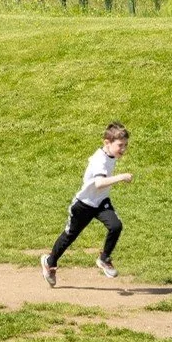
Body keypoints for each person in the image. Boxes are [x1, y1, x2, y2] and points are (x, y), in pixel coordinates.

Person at [41, 121, 132, 287]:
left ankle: (104, 259)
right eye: (120, 145)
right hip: (84, 204)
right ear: (107, 142)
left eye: (126, 145)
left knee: (115, 226)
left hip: (101, 202)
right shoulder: (100, 160)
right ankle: (50, 261)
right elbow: (98, 183)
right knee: (70, 236)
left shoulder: (110, 155)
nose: (124, 149)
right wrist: (121, 177)